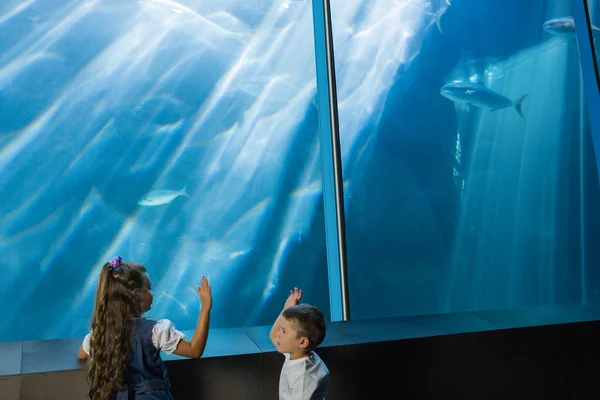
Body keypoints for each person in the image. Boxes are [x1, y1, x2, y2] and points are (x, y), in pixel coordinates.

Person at [77, 256, 212, 400]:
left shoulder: (100, 333)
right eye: (148, 288)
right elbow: (194, 350)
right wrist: (205, 307)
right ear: (135, 294)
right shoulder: (155, 331)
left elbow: (81, 354)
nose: (152, 293)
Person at [270, 287, 330, 400]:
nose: (278, 334)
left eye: (283, 331)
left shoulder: (303, 377)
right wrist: (286, 309)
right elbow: (273, 336)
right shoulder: (298, 353)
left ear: (302, 342)